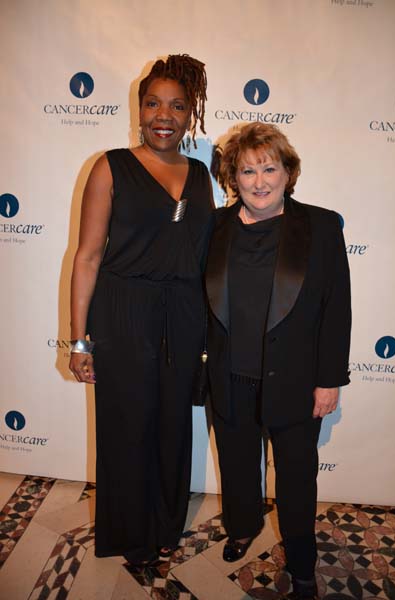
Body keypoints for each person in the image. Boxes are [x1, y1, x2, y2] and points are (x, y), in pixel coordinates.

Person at [69, 54, 213, 565]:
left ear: (190, 112)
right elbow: (87, 256)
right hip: (124, 310)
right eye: (153, 103)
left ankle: (165, 523)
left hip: (182, 315)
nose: (163, 116)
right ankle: (130, 534)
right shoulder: (111, 166)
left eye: (177, 106)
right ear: (139, 109)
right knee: (127, 423)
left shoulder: (200, 174)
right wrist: (80, 339)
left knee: (174, 422)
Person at [206, 123, 351, 599]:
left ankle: (303, 561)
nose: (259, 180)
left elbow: (336, 308)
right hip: (231, 376)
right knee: (237, 465)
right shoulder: (216, 226)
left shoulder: (322, 225)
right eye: (247, 170)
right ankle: (242, 528)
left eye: (270, 167)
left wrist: (329, 380)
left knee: (295, 478)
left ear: (289, 172)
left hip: (295, 380)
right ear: (233, 176)